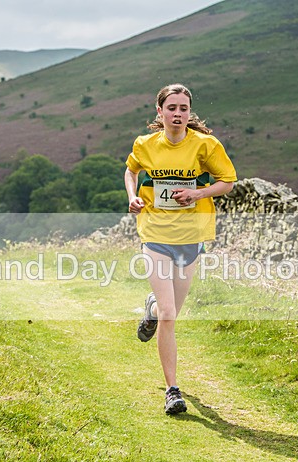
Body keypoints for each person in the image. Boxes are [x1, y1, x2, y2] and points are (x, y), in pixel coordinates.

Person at [124, 83, 237, 415]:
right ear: (159, 112)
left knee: (170, 310)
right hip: (155, 234)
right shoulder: (145, 144)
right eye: (171, 108)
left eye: (183, 108)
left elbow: (228, 182)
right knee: (170, 314)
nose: (177, 114)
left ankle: (151, 309)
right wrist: (132, 196)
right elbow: (131, 171)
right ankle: (172, 390)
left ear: (189, 112)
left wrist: (197, 194)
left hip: (191, 237)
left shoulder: (205, 145)